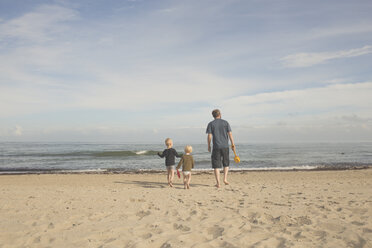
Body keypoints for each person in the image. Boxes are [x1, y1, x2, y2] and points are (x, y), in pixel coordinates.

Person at [206, 109, 235, 188]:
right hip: (225, 146)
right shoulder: (225, 123)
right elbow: (230, 134)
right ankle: (225, 179)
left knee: (216, 165)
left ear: (213, 115)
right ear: (220, 114)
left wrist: (209, 145)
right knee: (226, 163)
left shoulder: (211, 124)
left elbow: (209, 136)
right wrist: (233, 144)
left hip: (216, 147)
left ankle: (218, 183)